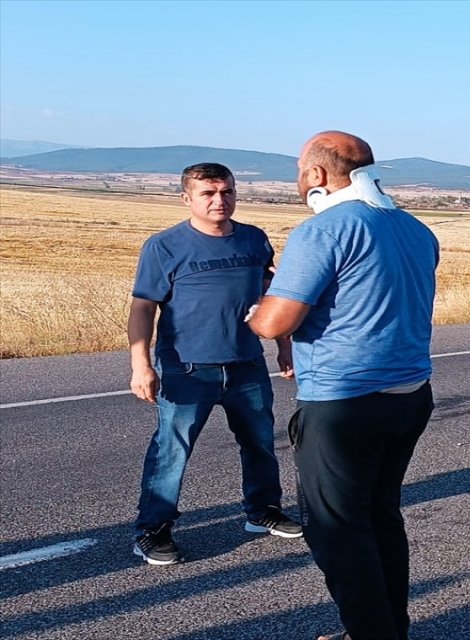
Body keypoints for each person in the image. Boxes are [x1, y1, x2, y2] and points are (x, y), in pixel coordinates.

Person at [248, 131, 439, 640]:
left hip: (343, 400)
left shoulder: (324, 229)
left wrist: (260, 311)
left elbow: (275, 323)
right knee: (379, 518)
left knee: (337, 530)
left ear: (316, 175)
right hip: (410, 394)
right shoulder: (416, 229)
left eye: (298, 170)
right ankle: (385, 628)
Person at [129, 162, 301, 566]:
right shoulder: (164, 246)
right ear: (187, 198)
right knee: (171, 450)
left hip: (246, 364)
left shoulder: (254, 240)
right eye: (207, 193)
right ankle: (152, 530)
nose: (219, 200)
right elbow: (143, 307)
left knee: (259, 442)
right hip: (187, 367)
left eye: (226, 192)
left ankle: (262, 511)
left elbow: (270, 295)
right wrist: (141, 364)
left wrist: (284, 346)